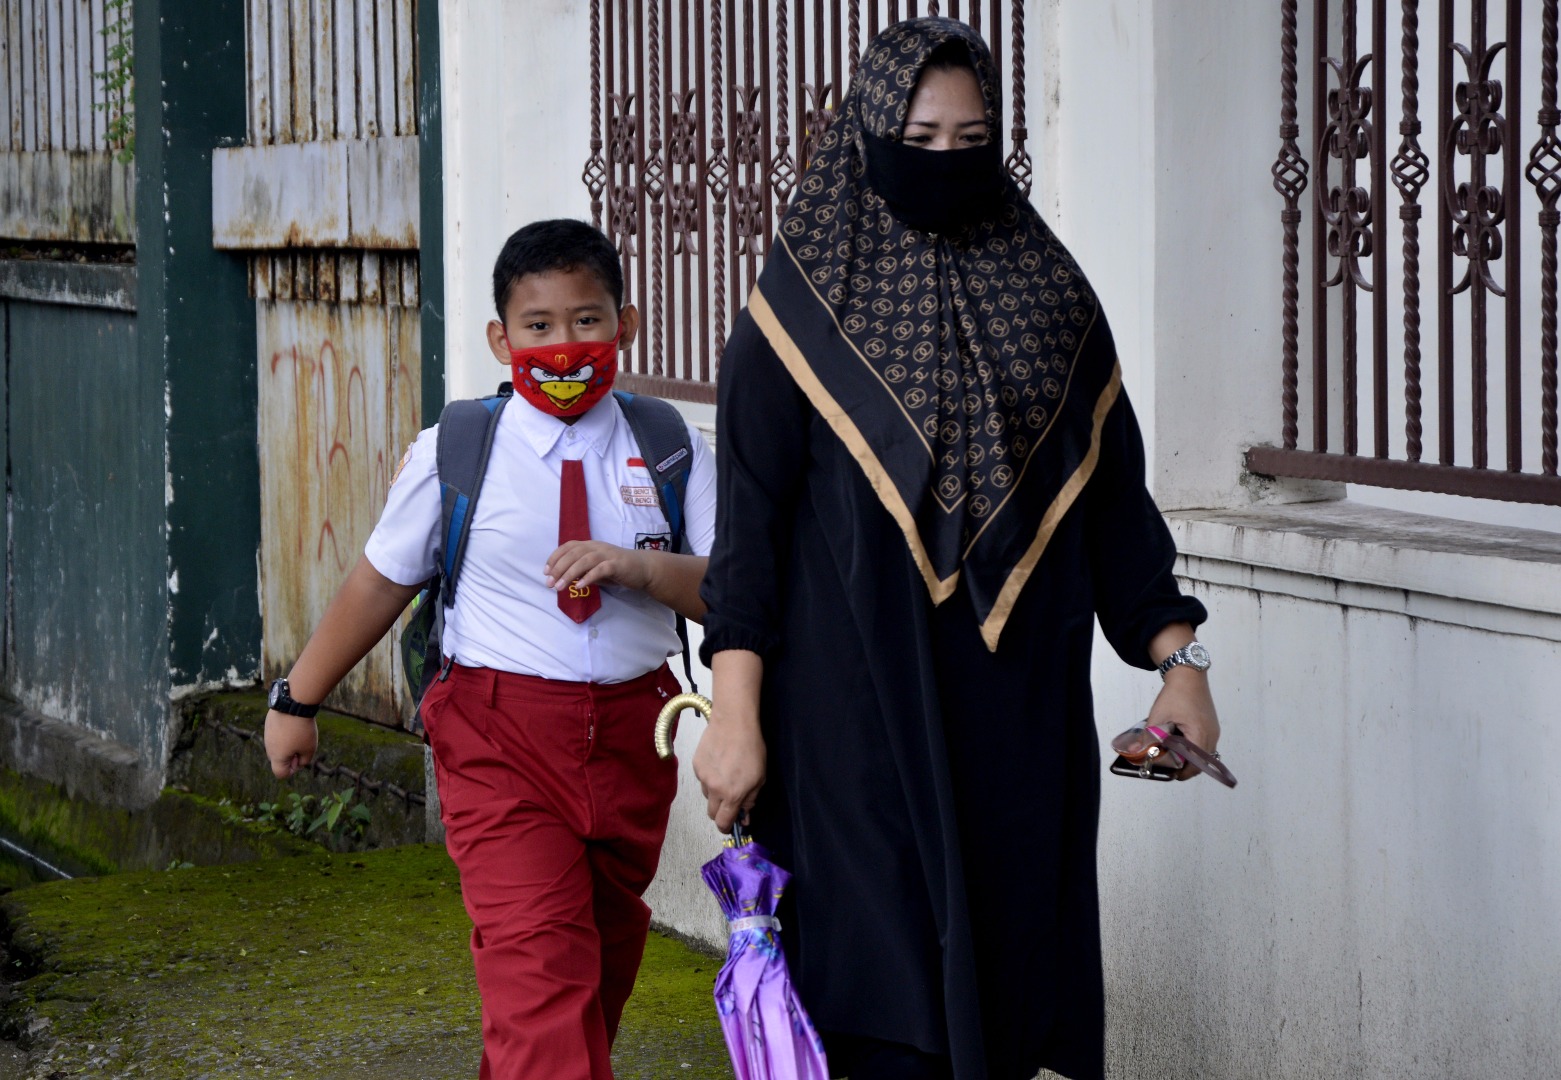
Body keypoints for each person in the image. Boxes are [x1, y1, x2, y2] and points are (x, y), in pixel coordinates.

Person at [691, 19, 1219, 1080]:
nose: (945, 161)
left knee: (1009, 986)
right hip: (847, 721)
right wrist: (734, 720)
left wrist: (1179, 663)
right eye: (918, 137)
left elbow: (1114, 505)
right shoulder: (796, 313)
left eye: (969, 138)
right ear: (865, 134)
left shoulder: (1052, 301)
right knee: (877, 998)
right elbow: (746, 536)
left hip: (1013, 717)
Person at [262, 219, 716, 1080]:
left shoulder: (669, 447)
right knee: (544, 979)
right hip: (499, 735)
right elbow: (379, 581)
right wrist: (298, 700)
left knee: (592, 978)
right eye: (538, 326)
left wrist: (640, 569)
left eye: (587, 319)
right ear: (500, 338)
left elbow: (731, 591)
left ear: (626, 323)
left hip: (634, 738)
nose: (564, 344)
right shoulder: (458, 450)